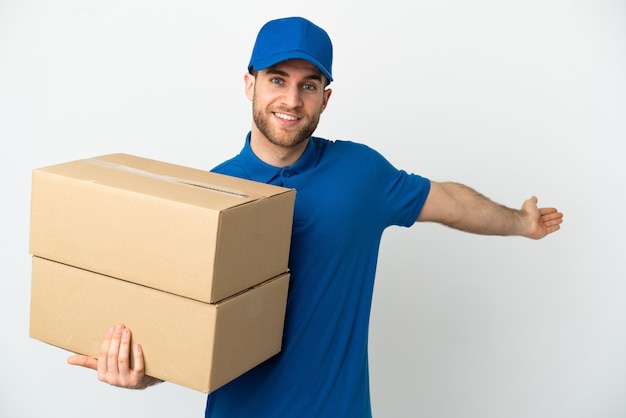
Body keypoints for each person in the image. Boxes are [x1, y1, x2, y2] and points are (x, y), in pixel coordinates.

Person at [67, 16, 563, 417]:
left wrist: (521, 222)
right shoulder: (207, 195)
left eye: (309, 85)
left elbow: (451, 202)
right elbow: (183, 328)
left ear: (326, 96)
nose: (291, 100)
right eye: (277, 80)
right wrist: (138, 372)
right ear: (250, 84)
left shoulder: (361, 174)